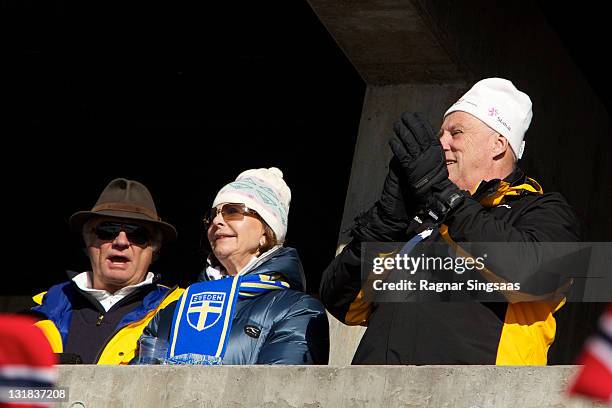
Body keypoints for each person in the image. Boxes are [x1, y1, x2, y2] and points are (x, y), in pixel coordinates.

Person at [320, 78, 581, 365]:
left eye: (456, 133)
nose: (441, 143)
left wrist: (448, 200)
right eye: (440, 134)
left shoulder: (541, 208)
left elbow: (539, 275)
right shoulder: (419, 220)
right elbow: (342, 302)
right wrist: (386, 221)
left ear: (498, 144)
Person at [142, 167, 329, 364]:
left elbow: (282, 390)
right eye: (213, 214)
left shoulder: (295, 309)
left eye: (233, 211)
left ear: (266, 232)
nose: (217, 221)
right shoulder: (174, 310)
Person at [30, 178, 184, 364]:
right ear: (88, 242)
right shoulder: (41, 312)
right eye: (107, 230)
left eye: (138, 234)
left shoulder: (179, 311)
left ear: (154, 249)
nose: (121, 242)